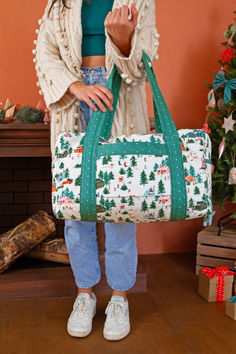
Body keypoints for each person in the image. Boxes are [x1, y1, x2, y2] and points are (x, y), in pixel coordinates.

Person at [34, 0, 159, 341]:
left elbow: (141, 66)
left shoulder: (136, 1)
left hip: (119, 99)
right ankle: (84, 293)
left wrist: (122, 41)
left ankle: (119, 298)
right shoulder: (58, 3)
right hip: (73, 103)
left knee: (121, 205)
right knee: (76, 209)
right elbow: (46, 54)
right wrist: (77, 87)